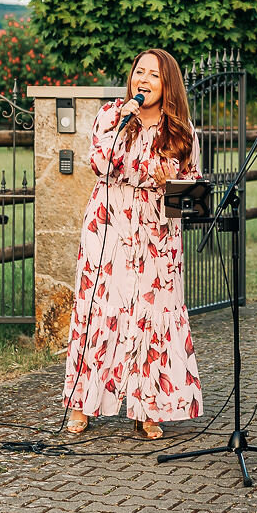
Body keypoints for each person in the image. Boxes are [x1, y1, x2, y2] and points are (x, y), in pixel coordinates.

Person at [63, 48, 204, 440]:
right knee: (100, 311)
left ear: (168, 84)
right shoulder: (111, 115)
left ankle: (148, 406)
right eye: (139, 72)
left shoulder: (182, 132)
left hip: (157, 229)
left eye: (153, 75)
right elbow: (99, 163)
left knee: (150, 313)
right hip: (109, 223)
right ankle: (81, 403)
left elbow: (192, 194)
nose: (142, 80)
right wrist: (123, 123)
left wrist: (167, 183)